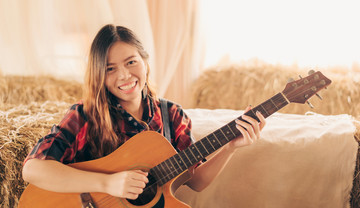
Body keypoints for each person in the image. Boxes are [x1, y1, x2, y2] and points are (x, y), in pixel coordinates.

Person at [22, 24, 266, 201]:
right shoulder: (87, 114)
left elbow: (196, 181)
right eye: (110, 69)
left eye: (131, 62)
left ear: (145, 62)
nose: (125, 75)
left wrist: (230, 147)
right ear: (99, 76)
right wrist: (108, 183)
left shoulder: (172, 116)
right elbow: (32, 169)